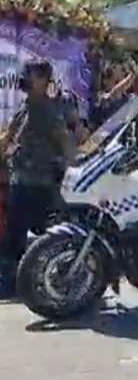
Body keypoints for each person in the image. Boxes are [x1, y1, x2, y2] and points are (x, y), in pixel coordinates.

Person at [0, 61, 74, 293]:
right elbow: (8, 137)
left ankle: (30, 281)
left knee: (34, 233)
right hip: (21, 179)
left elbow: (64, 142)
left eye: (29, 74)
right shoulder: (27, 106)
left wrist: (72, 166)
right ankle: (18, 278)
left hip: (39, 183)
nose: (24, 78)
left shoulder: (47, 110)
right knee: (15, 231)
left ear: (43, 80)